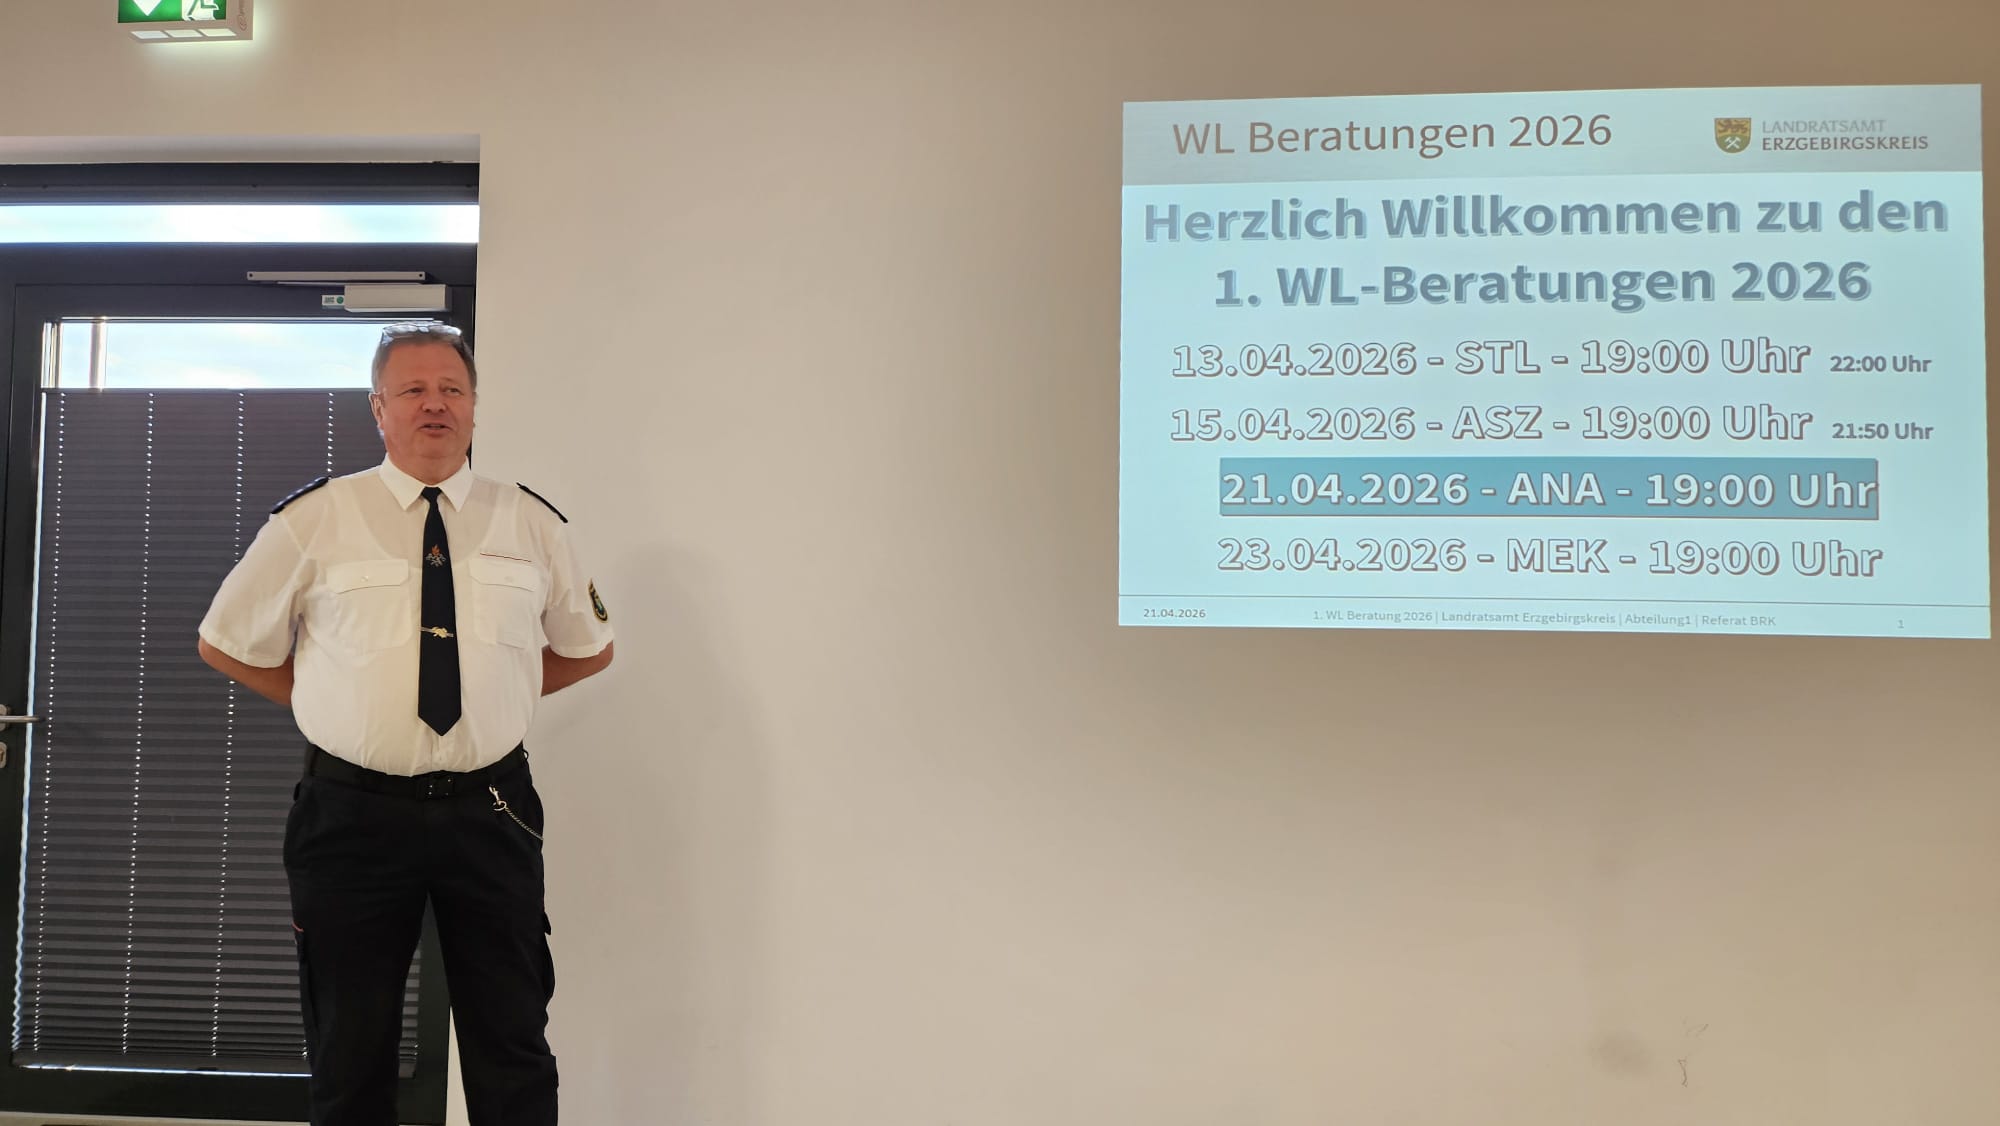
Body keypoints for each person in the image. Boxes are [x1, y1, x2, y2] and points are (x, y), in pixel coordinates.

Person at [195, 323, 614, 1126]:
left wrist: (502, 694)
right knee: (350, 1048)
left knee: (512, 1041)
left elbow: (588, 649)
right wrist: (327, 699)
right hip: (352, 817)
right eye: (413, 390)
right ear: (378, 409)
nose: (435, 405)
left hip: (491, 812)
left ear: (475, 406)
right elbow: (225, 643)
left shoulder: (531, 523)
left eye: (452, 389)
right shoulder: (316, 519)